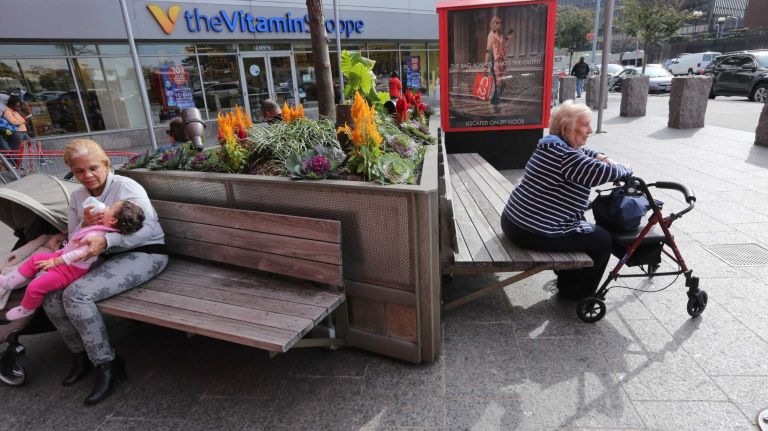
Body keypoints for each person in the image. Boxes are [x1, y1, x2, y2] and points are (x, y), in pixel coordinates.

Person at [41, 139, 168, 406]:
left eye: (93, 168)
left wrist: (107, 241)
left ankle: (107, 364)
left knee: (76, 295)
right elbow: (75, 237)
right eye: (79, 171)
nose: (87, 176)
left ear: (106, 164)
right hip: (100, 257)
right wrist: (84, 224)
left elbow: (147, 228)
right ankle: (81, 356)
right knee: (51, 296)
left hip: (145, 253)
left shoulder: (126, 187)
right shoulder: (78, 196)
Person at [501, 101, 632, 300]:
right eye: (585, 125)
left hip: (515, 220)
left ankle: (567, 278)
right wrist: (626, 169)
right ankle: (576, 293)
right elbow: (605, 172)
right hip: (531, 230)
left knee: (584, 228)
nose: (590, 130)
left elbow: (583, 152)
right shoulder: (565, 157)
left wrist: (599, 155)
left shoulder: (552, 145)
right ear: (565, 128)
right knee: (603, 240)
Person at [1, 200, 145, 320]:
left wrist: (56, 262)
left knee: (36, 286)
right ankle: (9, 282)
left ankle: (27, 308)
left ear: (113, 219)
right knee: (36, 259)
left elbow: (79, 254)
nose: (106, 206)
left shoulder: (98, 236)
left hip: (69, 271)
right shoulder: (99, 226)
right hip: (61, 258)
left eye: (110, 207)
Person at [484, 16, 514, 105]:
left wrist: (509, 37)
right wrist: (485, 65)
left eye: (500, 23)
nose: (499, 24)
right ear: (493, 24)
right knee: (498, 83)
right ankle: (495, 100)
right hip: (496, 61)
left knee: (503, 83)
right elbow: (488, 50)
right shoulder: (491, 35)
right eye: (497, 23)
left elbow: (505, 45)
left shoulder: (500, 35)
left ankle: (495, 99)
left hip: (502, 61)